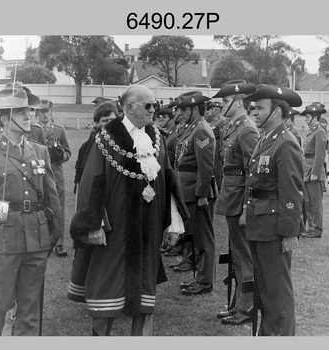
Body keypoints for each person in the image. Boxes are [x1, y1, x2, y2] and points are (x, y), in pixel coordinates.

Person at [68, 84, 187, 336]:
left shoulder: (156, 137)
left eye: (154, 105)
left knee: (145, 294)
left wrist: (173, 221)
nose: (154, 109)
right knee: (107, 288)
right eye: (148, 105)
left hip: (148, 227)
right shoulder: (105, 137)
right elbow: (91, 182)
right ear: (129, 106)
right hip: (116, 229)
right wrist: (93, 224)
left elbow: (167, 179)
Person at [0, 86, 62, 336]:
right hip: (5, 239)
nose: (29, 116)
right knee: (0, 303)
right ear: (4, 119)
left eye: (28, 111)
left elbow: (51, 196)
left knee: (30, 307)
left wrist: (54, 234)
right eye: (21, 112)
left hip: (37, 238)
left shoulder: (39, 150)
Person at [242, 84, 304, 336]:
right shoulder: (265, 139)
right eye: (252, 108)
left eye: (260, 108)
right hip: (260, 223)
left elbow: (292, 193)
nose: (253, 112)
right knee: (265, 288)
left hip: (274, 228)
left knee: (277, 291)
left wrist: (290, 233)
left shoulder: (286, 143)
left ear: (277, 111)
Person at [211, 81, 261, 325]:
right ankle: (239, 303)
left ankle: (247, 306)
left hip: (239, 199)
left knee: (244, 256)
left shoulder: (247, 129)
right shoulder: (233, 128)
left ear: (238, 101)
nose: (221, 105)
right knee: (237, 255)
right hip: (230, 197)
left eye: (224, 101)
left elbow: (254, 172)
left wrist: (245, 207)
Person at [171, 91, 218, 295]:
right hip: (188, 190)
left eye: (184, 109)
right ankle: (200, 277)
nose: (180, 113)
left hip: (197, 193)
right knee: (196, 237)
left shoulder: (201, 131)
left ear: (194, 110)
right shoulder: (191, 128)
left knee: (204, 238)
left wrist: (201, 196)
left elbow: (205, 167)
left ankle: (205, 281)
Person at [30, 98, 71, 258]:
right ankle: (41, 241)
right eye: (41, 112)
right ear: (37, 113)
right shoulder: (31, 130)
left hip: (56, 175)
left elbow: (68, 152)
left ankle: (59, 243)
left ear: (51, 112)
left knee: (58, 209)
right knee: (39, 208)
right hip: (39, 176)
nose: (45, 114)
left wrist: (61, 155)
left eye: (47, 111)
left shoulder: (59, 130)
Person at [74, 101, 120, 196]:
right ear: (96, 123)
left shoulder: (127, 143)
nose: (109, 123)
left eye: (112, 119)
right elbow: (83, 179)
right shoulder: (87, 147)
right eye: (105, 120)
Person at [300, 104, 327, 240]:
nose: (306, 119)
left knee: (315, 203)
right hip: (307, 169)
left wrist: (315, 173)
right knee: (308, 201)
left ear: (315, 118)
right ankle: (311, 227)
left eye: (308, 117)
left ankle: (317, 228)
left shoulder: (319, 132)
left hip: (313, 171)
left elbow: (320, 154)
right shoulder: (312, 131)